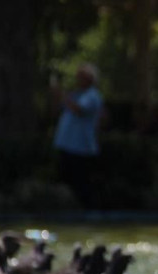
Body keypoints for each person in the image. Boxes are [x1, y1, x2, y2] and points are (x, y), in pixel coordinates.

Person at [52, 63, 103, 208]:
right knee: (65, 181)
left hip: (81, 148)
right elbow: (56, 111)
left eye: (81, 77)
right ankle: (68, 208)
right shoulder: (75, 94)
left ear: (90, 79)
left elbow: (79, 110)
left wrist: (63, 96)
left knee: (82, 184)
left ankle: (87, 211)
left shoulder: (92, 96)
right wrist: (57, 97)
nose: (78, 80)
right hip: (66, 146)